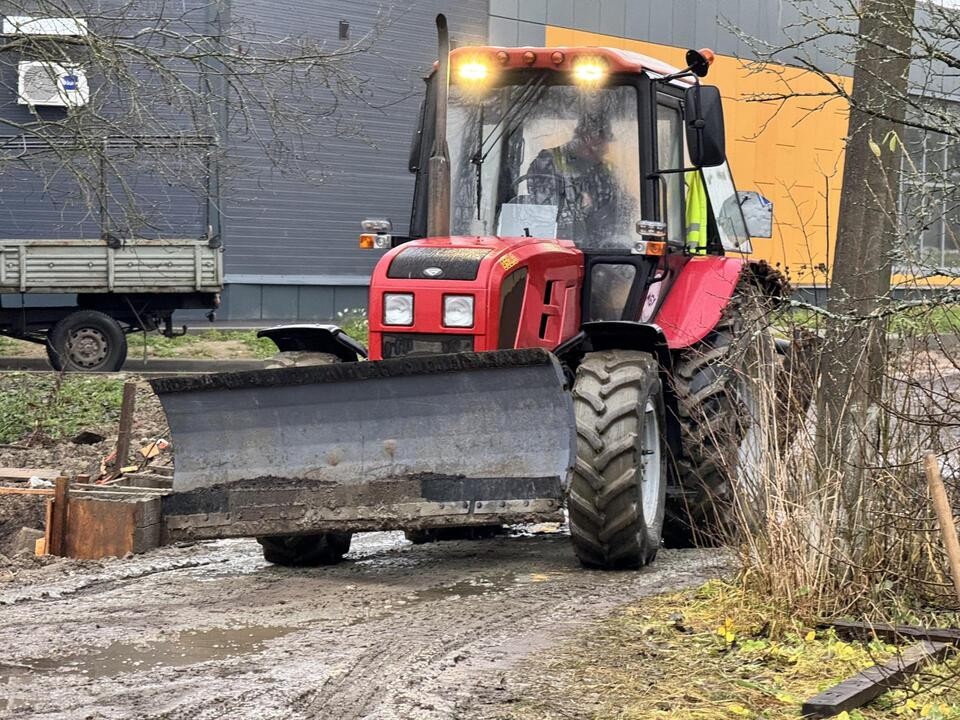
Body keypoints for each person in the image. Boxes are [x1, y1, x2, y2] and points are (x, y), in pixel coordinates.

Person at [523, 110, 630, 247]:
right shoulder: (548, 161)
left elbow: (623, 207)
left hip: (598, 250)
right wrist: (581, 200)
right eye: (602, 142)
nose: (606, 149)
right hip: (556, 245)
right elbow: (545, 206)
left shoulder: (605, 170)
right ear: (588, 139)